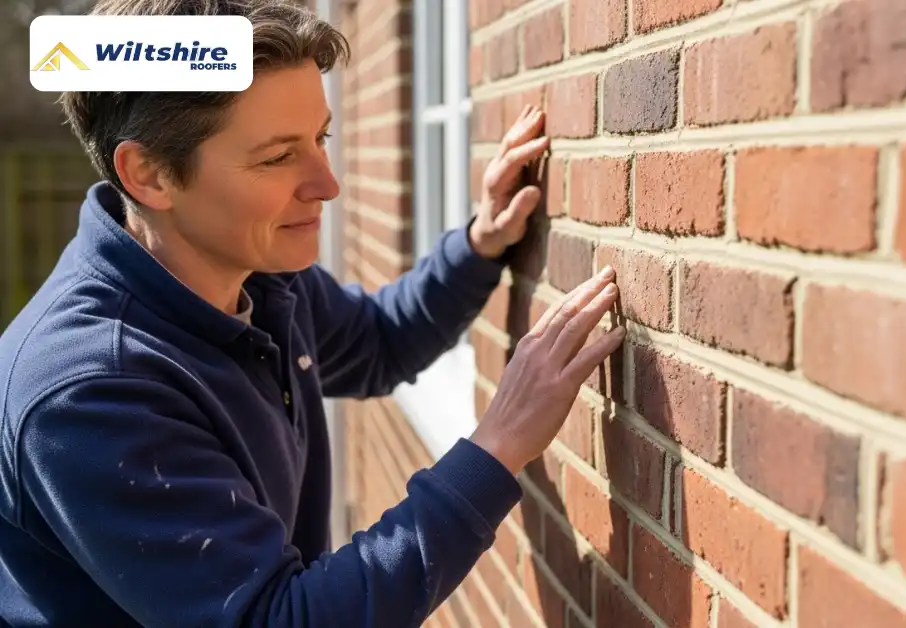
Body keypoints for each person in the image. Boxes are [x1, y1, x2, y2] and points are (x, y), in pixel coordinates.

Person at [0, 0, 625, 625]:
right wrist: (497, 446)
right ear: (150, 174)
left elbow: (380, 343)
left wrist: (481, 241)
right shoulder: (89, 392)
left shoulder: (259, 271)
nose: (327, 183)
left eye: (320, 138)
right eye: (277, 157)